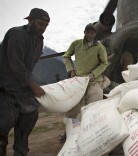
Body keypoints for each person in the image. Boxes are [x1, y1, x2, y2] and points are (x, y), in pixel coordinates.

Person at [0, 8, 49, 156]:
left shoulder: (39, 40)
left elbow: (29, 66)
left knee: (30, 114)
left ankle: (20, 150)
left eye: (45, 26)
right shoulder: (17, 34)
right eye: (40, 24)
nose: (43, 28)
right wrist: (33, 85)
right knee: (4, 122)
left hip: (21, 85)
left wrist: (30, 83)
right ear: (30, 20)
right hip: (4, 84)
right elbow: (16, 64)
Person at [59, 23, 109, 141]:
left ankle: (93, 133)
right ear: (85, 32)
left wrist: (93, 74)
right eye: (88, 32)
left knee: (94, 107)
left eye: (93, 32)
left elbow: (104, 63)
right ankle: (68, 132)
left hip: (94, 81)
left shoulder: (99, 47)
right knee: (73, 107)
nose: (91, 34)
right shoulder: (76, 44)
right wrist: (71, 70)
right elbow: (66, 57)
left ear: (95, 34)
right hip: (79, 81)